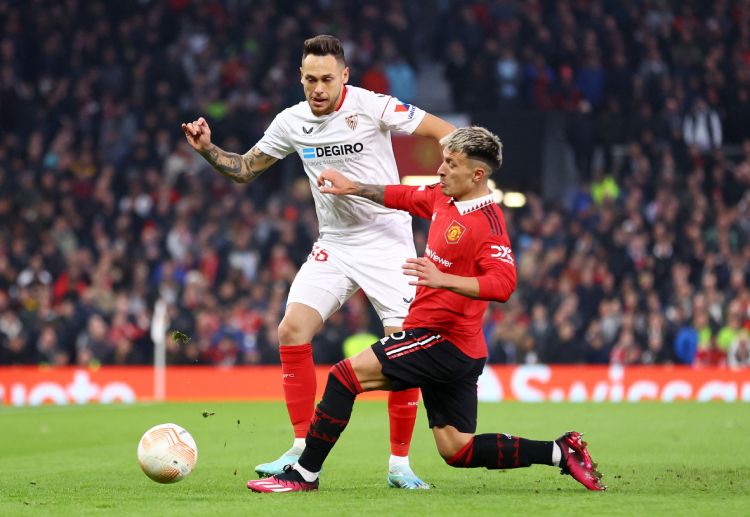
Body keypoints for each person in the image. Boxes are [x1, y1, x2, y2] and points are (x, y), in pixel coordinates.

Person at [247, 127, 606, 493]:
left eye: (451, 164)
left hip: (441, 339)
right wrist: (353, 186)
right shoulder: (443, 199)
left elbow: (504, 284)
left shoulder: (489, 226)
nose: (440, 170)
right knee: (457, 449)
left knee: (344, 377)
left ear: (477, 175)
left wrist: (443, 278)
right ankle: (561, 452)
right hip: (460, 349)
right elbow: (402, 195)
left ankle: (303, 475)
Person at [181, 35, 455, 489]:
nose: (319, 88)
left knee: (401, 348)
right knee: (291, 329)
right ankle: (301, 445)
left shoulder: (373, 106)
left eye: (327, 78)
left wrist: (451, 173)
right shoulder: (291, 121)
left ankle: (399, 464)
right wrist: (209, 150)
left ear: (345, 76)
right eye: (310, 79)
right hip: (336, 243)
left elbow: (442, 130)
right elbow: (246, 168)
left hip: (387, 241)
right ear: (300, 78)